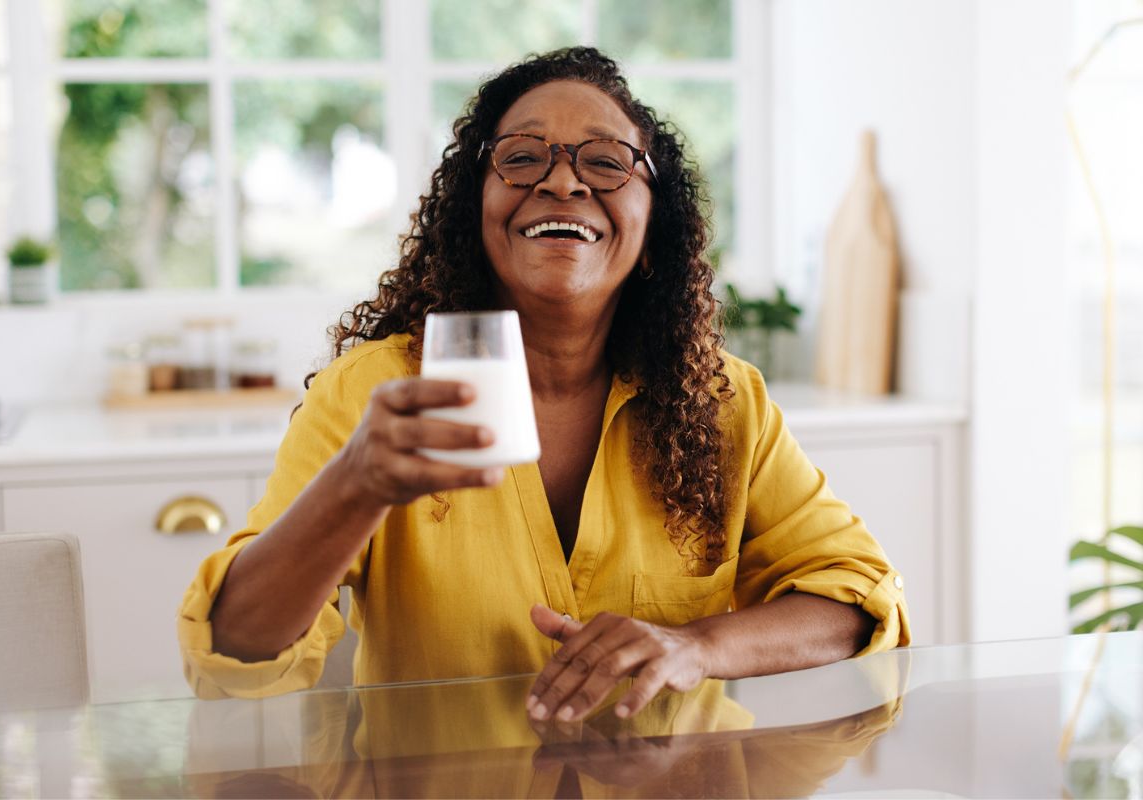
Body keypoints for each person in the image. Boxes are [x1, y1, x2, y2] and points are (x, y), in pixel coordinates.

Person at [178, 47, 910, 723]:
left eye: (607, 161)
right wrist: (355, 487)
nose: (562, 181)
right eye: (522, 157)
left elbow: (858, 597)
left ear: (654, 227)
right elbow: (234, 660)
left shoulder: (722, 402)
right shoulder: (376, 391)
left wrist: (697, 646)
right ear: (476, 216)